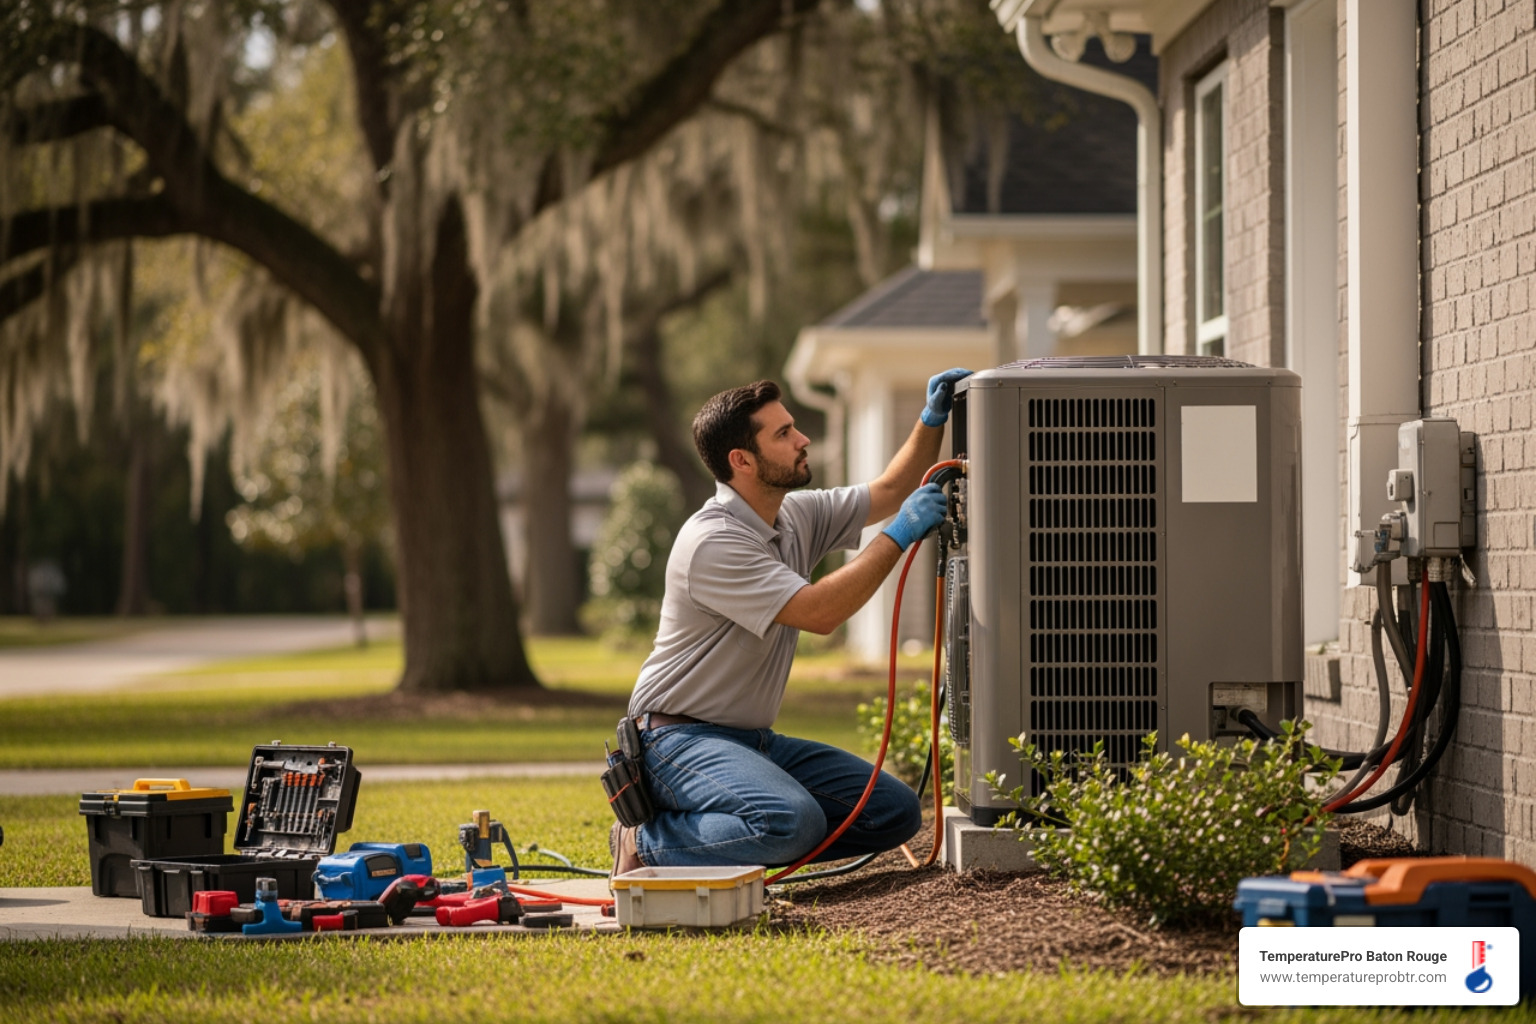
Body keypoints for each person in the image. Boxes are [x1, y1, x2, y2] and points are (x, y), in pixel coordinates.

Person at [612, 369, 972, 875]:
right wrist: (900, 533)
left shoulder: (793, 514)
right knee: (789, 822)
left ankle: (734, 831)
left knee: (893, 812)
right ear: (742, 461)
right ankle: (644, 840)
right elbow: (820, 613)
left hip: (752, 739)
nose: (803, 440)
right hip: (674, 741)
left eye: (794, 427)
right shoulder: (713, 542)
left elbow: (891, 489)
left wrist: (930, 418)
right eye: (783, 434)